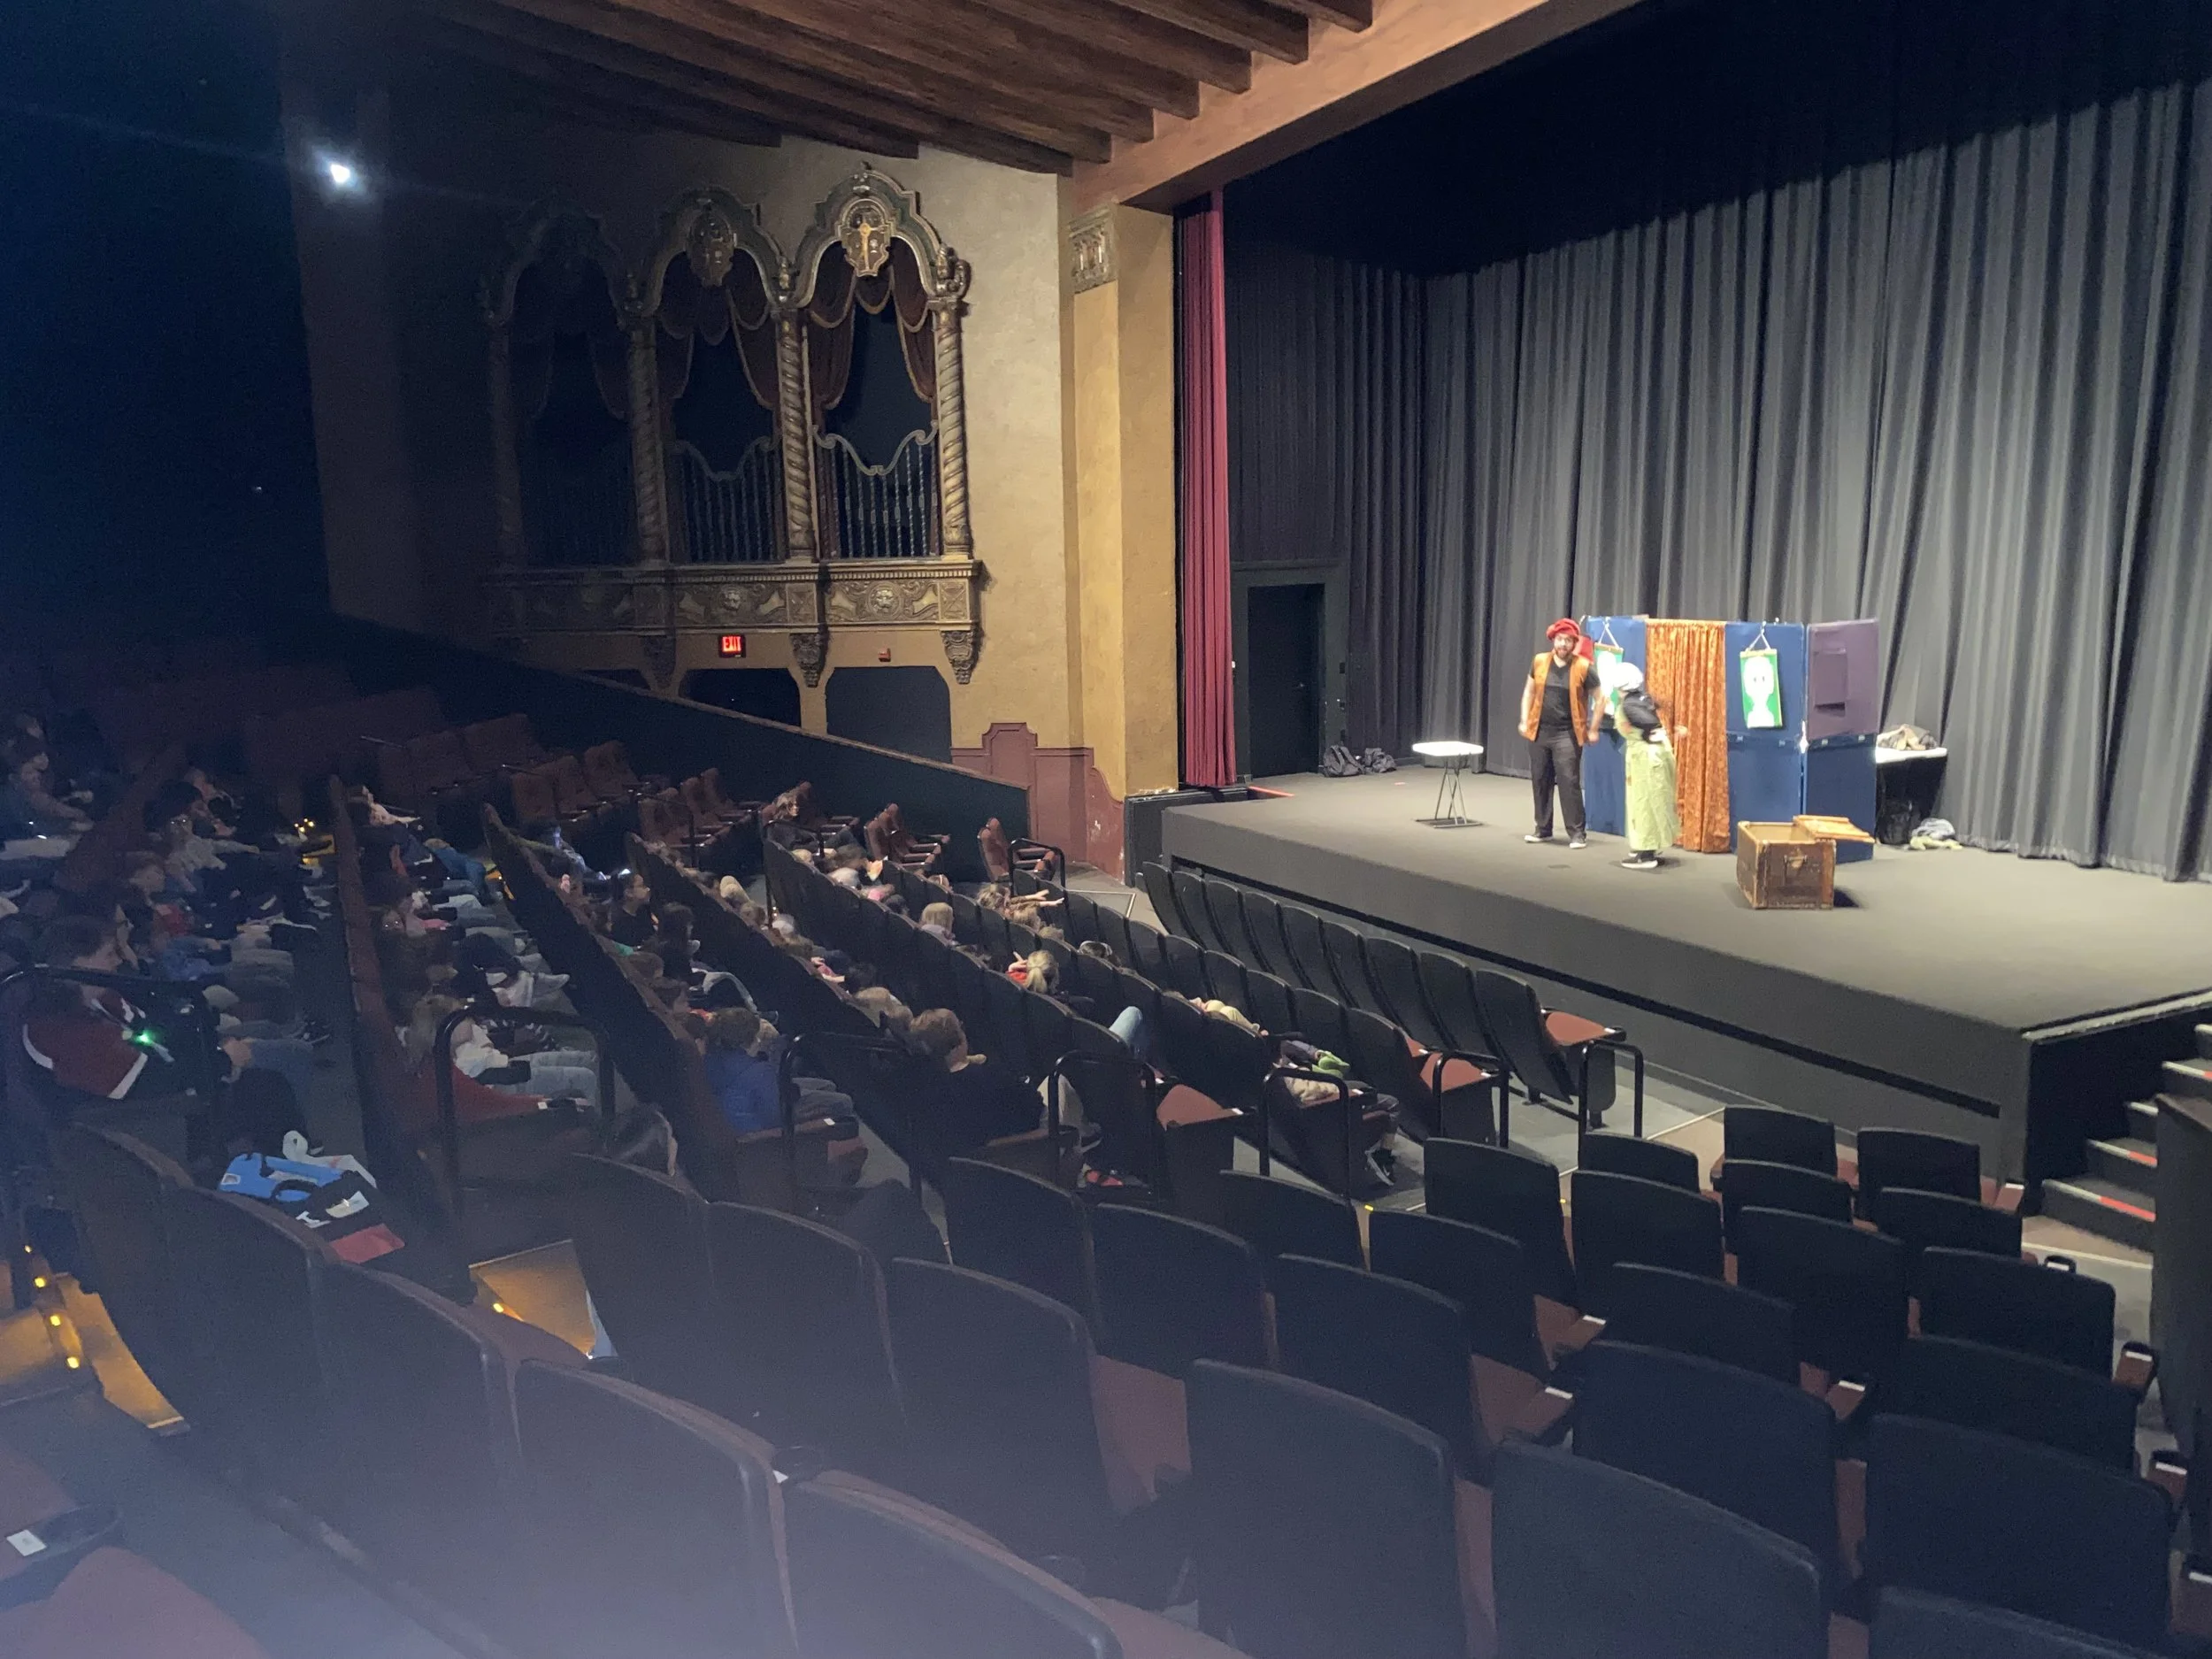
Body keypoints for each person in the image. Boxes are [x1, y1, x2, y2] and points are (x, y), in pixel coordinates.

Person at [908, 1007, 1039, 1154]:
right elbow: (1034, 1105)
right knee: (1060, 1083)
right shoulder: (988, 1076)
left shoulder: (927, 1086)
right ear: (957, 1037)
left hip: (976, 1162)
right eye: (960, 1027)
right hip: (1018, 1149)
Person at [1520, 618, 1600, 849]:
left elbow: (1601, 697)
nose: (1563, 644)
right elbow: (1528, 692)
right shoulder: (1539, 661)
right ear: (1553, 640)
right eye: (1560, 639)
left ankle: (1577, 834)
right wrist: (1525, 720)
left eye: (1568, 640)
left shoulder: (1583, 667)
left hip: (1567, 733)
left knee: (1569, 782)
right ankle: (1543, 829)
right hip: (1539, 731)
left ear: (1574, 642)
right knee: (1540, 780)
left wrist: (1593, 729)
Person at [1610, 663, 1681, 872]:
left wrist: (1645, 733)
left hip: (1646, 758)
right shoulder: (1642, 698)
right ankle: (1647, 844)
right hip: (1651, 754)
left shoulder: (1629, 705)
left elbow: (1650, 722)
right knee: (1651, 800)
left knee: (1645, 803)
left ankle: (1646, 852)